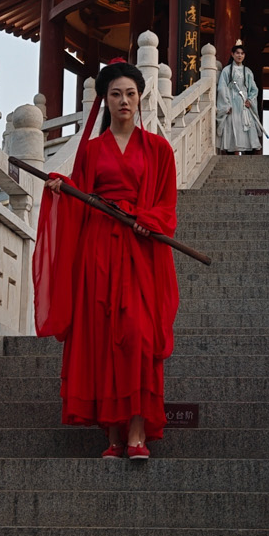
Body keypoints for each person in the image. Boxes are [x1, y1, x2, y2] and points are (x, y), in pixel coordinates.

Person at [33, 62, 180, 459]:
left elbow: (167, 204)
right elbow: (83, 199)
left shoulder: (159, 150)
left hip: (140, 251)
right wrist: (63, 191)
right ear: (105, 100)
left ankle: (138, 430)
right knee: (102, 336)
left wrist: (148, 220)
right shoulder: (93, 150)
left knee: (138, 335)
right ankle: (114, 434)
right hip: (98, 251)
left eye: (130, 94)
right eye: (116, 94)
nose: (124, 101)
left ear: (140, 98)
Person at [216, 40, 265, 154]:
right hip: (231, 103)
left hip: (243, 104)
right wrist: (226, 105)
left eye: (242, 53)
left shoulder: (247, 71)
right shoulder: (226, 71)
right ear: (232, 54)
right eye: (237, 53)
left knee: (246, 127)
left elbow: (254, 89)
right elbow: (222, 88)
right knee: (232, 127)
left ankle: (247, 153)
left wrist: (250, 100)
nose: (240, 55)